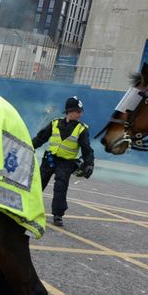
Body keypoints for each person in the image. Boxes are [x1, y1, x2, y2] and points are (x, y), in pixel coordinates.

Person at [31, 96, 95, 227]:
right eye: (77, 111)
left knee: (60, 187)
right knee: (38, 184)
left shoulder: (82, 129)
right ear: (69, 111)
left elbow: (86, 148)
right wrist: (28, 146)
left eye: (80, 111)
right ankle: (28, 207)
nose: (80, 114)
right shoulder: (55, 123)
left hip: (66, 163)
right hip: (49, 159)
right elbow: (41, 138)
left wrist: (89, 164)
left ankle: (57, 215)